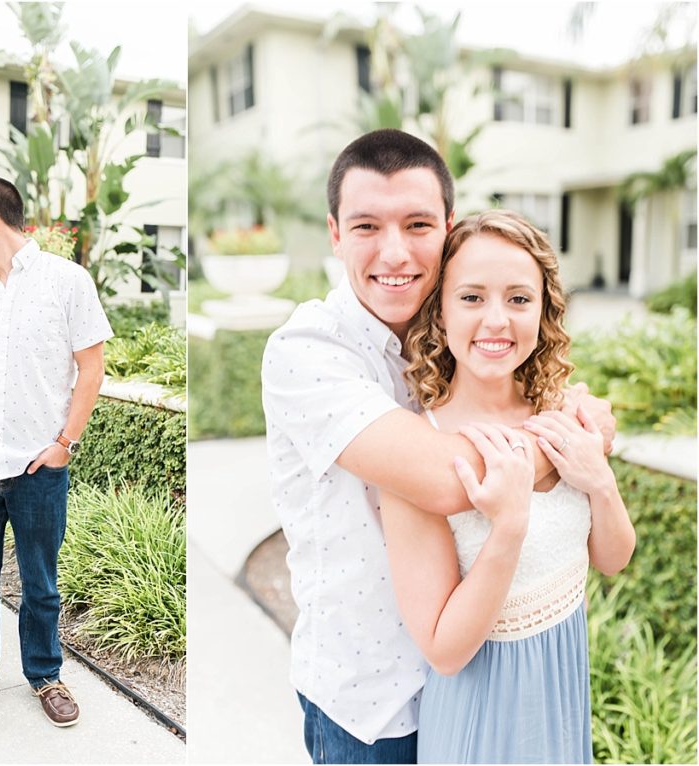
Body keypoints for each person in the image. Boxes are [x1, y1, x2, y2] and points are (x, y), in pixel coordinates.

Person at [261, 129, 616, 764]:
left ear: (447, 229)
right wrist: (572, 439)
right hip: (374, 708)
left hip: (492, 685)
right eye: (367, 226)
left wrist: (570, 423)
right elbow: (449, 481)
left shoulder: (459, 340)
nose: (394, 251)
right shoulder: (307, 351)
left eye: (418, 224)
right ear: (335, 233)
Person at [382, 210, 635, 763]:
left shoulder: (562, 414)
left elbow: (612, 558)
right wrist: (509, 526)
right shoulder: (416, 452)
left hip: (562, 695)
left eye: (519, 299)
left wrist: (600, 481)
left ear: (543, 311)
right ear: (440, 312)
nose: (497, 320)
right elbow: (444, 651)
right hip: (482, 720)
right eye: (472, 298)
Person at [0, 177, 112, 728]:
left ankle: (45, 675)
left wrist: (63, 445)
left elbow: (92, 367)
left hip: (37, 465)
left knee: (41, 582)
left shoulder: (67, 281)